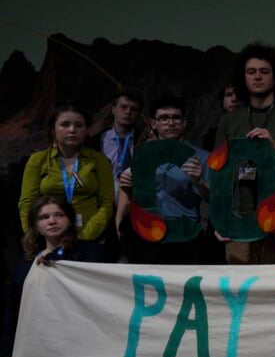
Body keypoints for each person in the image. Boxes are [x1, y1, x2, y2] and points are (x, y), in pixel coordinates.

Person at [2, 195, 103, 357]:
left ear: (69, 219)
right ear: (35, 224)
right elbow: (12, 311)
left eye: (59, 215)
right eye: (44, 217)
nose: (52, 221)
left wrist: (59, 263)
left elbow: (92, 282)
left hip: (68, 345)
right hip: (34, 346)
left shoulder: (88, 250)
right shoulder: (26, 260)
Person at [214, 43, 275, 264]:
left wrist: (274, 147)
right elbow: (220, 174)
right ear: (243, 78)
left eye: (264, 72)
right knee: (239, 289)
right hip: (239, 214)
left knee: (274, 287)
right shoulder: (229, 121)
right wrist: (221, 220)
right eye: (251, 72)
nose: (257, 77)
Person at [116, 92, 211, 264]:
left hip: (185, 234)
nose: (171, 123)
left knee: (185, 289)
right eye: (164, 118)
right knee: (149, 288)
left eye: (176, 118)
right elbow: (132, 198)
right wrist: (127, 186)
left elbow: (213, 198)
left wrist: (198, 181)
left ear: (184, 122)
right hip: (147, 232)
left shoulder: (202, 157)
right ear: (154, 123)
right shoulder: (141, 157)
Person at [19, 104, 115, 244]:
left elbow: (107, 204)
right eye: (65, 124)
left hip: (89, 239)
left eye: (79, 125)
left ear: (87, 130)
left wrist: (85, 237)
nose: (72, 130)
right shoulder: (38, 160)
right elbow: (27, 202)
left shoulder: (98, 159)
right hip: (47, 240)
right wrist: (34, 235)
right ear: (53, 129)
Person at [100, 88, 144, 190]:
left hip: (136, 199)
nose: (128, 112)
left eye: (134, 109)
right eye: (123, 107)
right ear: (114, 109)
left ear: (139, 113)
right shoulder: (97, 141)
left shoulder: (145, 141)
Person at [202, 82, 240, 151]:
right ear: (222, 101)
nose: (234, 99)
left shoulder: (254, 130)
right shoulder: (212, 136)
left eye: (239, 95)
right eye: (229, 95)